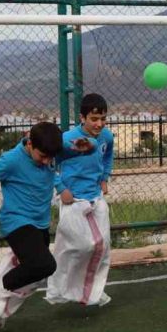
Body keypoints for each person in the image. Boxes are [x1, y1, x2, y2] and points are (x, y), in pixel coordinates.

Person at [0, 122, 87, 327]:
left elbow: (76, 152)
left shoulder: (50, 152)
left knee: (37, 275)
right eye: (42, 156)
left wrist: (90, 145)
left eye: (51, 158)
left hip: (39, 224)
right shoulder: (11, 160)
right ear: (30, 143)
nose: (47, 161)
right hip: (17, 222)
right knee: (45, 265)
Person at [46, 93, 115, 307]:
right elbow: (47, 163)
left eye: (103, 119)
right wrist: (61, 188)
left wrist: (104, 177)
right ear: (82, 117)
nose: (99, 124)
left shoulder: (107, 137)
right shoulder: (67, 139)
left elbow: (107, 155)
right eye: (94, 119)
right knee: (80, 246)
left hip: (95, 196)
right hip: (72, 199)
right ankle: (58, 289)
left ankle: (93, 290)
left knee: (101, 247)